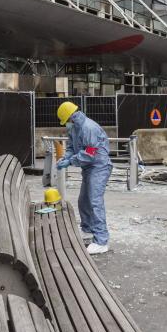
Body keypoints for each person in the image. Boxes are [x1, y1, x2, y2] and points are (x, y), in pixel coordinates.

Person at [56, 101, 112, 255]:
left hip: (99, 167)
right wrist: (65, 157)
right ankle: (87, 230)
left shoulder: (89, 128)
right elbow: (71, 148)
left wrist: (70, 161)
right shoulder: (74, 128)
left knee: (94, 200)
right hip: (89, 168)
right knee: (84, 200)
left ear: (71, 117)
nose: (66, 125)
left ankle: (101, 240)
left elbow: (89, 153)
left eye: (66, 121)